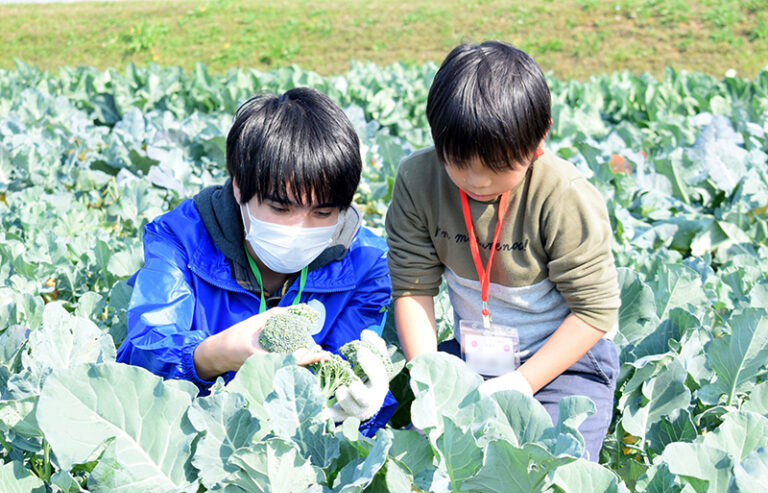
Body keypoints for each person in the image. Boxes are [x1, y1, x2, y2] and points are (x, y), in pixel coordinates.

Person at [385, 41, 620, 460]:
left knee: (548, 474)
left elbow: (595, 312)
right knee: (433, 470)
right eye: (457, 161)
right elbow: (412, 288)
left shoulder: (563, 195)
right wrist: (430, 380)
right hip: (471, 361)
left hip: (563, 365)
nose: (476, 180)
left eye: (497, 166)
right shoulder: (418, 179)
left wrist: (523, 383)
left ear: (539, 138)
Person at [117, 87, 395, 435]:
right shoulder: (179, 239)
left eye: (323, 212)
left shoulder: (367, 263)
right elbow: (138, 358)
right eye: (281, 208)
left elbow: (349, 372)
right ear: (238, 187)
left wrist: (358, 411)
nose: (299, 228)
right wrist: (211, 355)